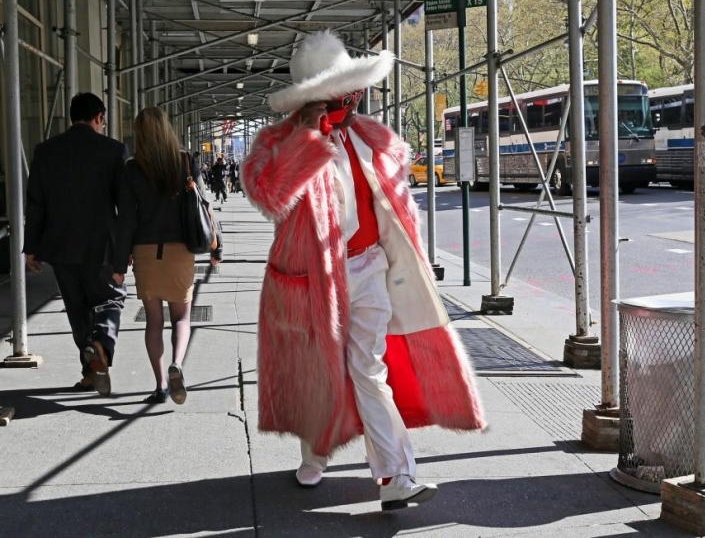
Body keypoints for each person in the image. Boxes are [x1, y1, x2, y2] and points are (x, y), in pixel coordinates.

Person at [242, 31, 485, 511]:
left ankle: (395, 475)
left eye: (351, 93)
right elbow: (268, 194)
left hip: (370, 267)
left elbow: (394, 202)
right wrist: (305, 139)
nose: (350, 103)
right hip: (311, 278)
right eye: (338, 96)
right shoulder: (278, 141)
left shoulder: (371, 136)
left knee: (369, 370)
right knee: (317, 373)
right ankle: (315, 454)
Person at [113, 107, 222, 404]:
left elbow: (126, 220)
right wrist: (216, 246)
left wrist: (119, 263)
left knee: (153, 322)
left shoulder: (132, 168)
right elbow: (204, 204)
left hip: (145, 252)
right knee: (182, 318)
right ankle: (177, 363)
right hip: (180, 251)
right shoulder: (185, 161)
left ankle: (160, 384)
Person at [24, 93, 127, 396]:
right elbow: (125, 205)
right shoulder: (113, 150)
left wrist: (32, 248)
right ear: (99, 117)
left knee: (77, 309)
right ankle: (102, 344)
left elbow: (36, 204)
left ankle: (90, 372)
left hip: (60, 247)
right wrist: (125, 249)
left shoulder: (45, 151)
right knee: (110, 300)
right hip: (102, 247)